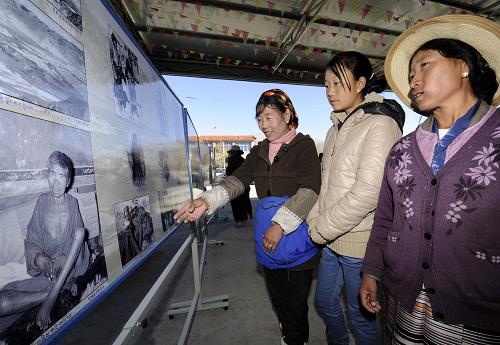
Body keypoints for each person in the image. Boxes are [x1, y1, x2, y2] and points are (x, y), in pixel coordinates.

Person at [359, 14, 500, 344]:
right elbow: (384, 219)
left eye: (424, 65)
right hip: (404, 298)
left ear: (463, 65)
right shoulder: (402, 150)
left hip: (477, 311)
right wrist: (370, 271)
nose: (414, 82)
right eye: (410, 75)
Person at [175, 89, 321, 345]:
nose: (264, 125)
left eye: (269, 117)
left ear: (286, 114)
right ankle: (289, 335)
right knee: (279, 300)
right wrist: (206, 201)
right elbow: (238, 180)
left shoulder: (304, 145)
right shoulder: (259, 151)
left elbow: (310, 190)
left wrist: (280, 225)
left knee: (296, 304)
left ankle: (296, 338)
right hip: (267, 240)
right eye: (259, 119)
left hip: (296, 239)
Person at [306, 51, 405, 345]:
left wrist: (321, 228)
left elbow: (368, 193)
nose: (330, 92)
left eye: (338, 83)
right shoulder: (334, 128)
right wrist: (315, 218)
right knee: (324, 302)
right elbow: (326, 185)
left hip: (358, 242)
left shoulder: (380, 125)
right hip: (330, 238)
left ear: (361, 83)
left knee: (361, 316)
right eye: (326, 85)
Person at [0, 151, 90, 333]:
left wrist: (62, 260)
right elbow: (31, 238)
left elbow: (78, 249)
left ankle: (51, 297)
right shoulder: (42, 202)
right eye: (52, 173)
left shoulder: (73, 204)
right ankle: (51, 293)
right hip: (48, 276)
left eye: (61, 176)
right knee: (2, 302)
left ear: (68, 181)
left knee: (80, 232)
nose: (56, 182)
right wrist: (39, 258)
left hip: (71, 266)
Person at [225, 145, 251, 226]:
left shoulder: (231, 160)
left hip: (234, 185)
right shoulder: (244, 161)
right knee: (244, 202)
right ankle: (244, 217)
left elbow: (228, 173)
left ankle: (238, 220)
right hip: (244, 185)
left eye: (231, 152)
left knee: (235, 203)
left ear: (233, 152)